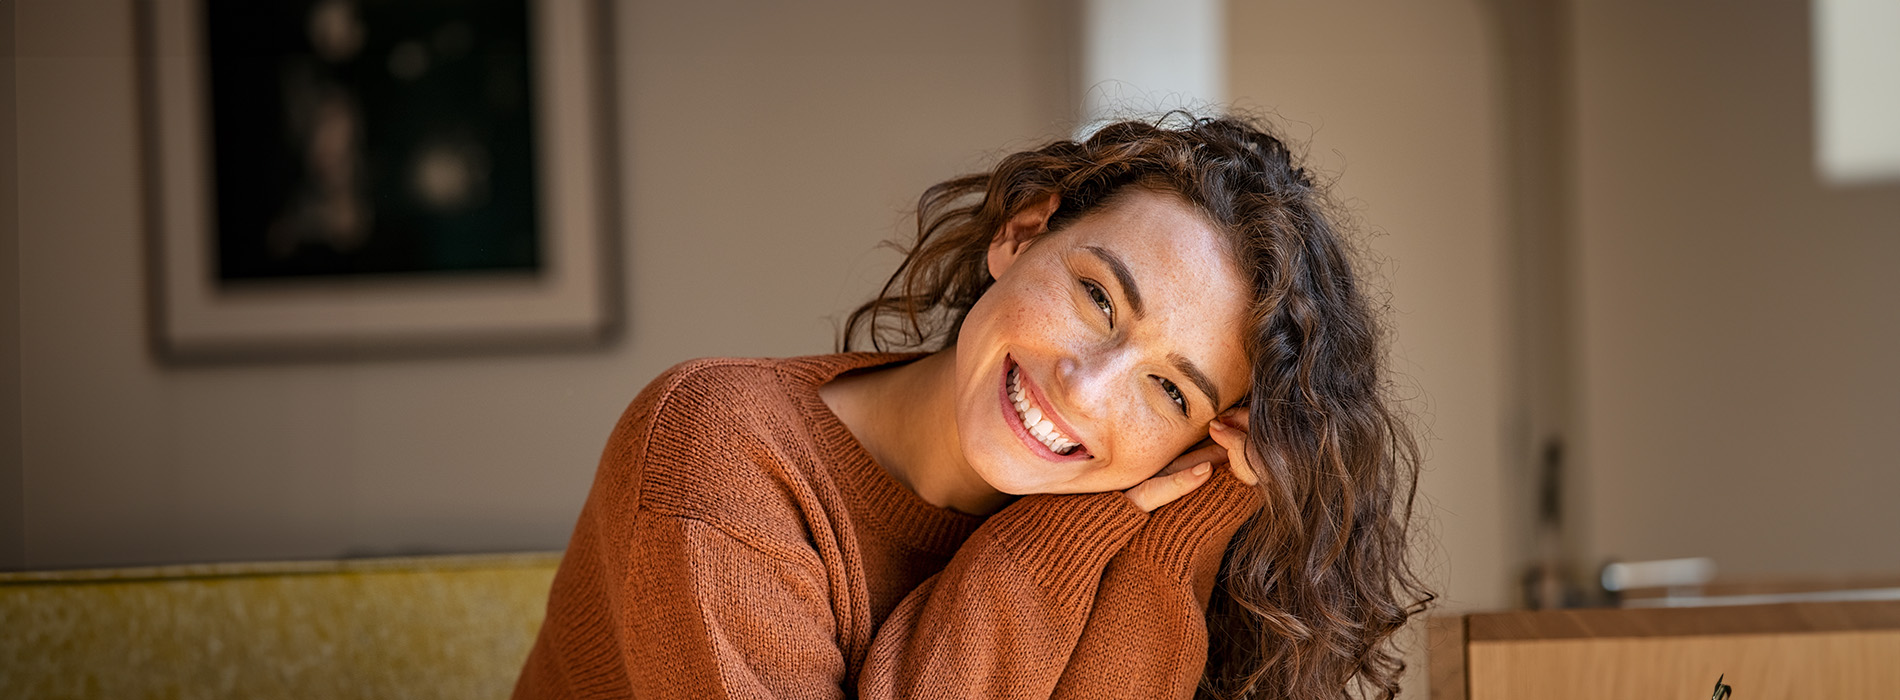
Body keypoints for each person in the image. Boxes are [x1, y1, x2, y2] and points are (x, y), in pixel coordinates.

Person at [514, 114, 1431, 700]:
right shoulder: (720, 448)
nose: (1084, 386)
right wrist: (1048, 546)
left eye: (1168, 388)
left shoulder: (1136, 534)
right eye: (1098, 298)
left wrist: (1176, 527)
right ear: (1022, 232)